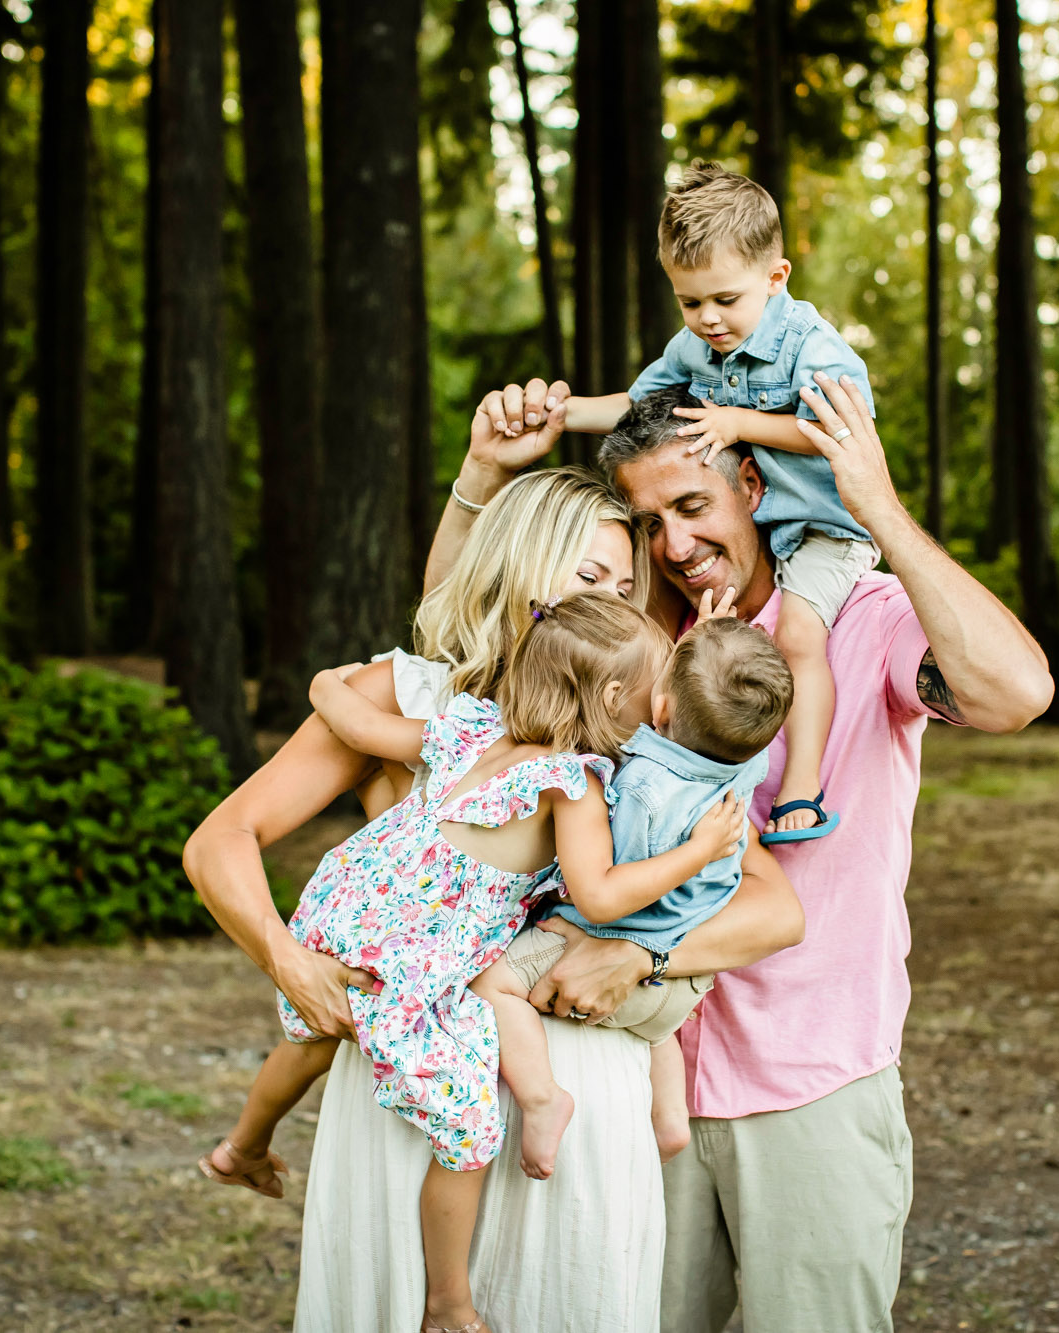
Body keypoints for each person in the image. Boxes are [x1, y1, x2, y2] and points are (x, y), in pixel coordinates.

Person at [182, 408, 807, 1333]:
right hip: (412, 1075)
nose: (609, 599)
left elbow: (773, 909)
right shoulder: (417, 699)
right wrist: (288, 959)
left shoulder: (632, 738)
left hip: (575, 1084)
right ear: (518, 565)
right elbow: (219, 841)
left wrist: (640, 958)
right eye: (588, 573)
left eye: (624, 584)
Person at [475, 371, 1054, 1331]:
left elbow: (1015, 693)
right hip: (627, 1077)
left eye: (694, 505)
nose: (674, 543)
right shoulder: (626, 641)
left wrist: (879, 509)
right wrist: (480, 477)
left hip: (808, 1084)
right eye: (649, 519)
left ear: (754, 484)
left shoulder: (854, 620)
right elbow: (449, 667)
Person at [247, 593, 748, 1333]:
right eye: (659, 689)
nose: (667, 705)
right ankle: (448, 1302)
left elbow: (354, 720)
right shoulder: (570, 782)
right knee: (468, 1130)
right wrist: (696, 853)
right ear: (615, 699)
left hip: (360, 914)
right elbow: (601, 897)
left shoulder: (469, 728)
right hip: (420, 963)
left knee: (309, 1036)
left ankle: (243, 1140)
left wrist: (325, 682)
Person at [547, 161, 879, 844]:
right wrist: (562, 412)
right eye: (690, 302)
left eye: (725, 299)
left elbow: (844, 436)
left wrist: (738, 423)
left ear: (776, 277)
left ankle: (801, 789)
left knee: (798, 639)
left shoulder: (814, 348)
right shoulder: (696, 345)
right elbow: (639, 406)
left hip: (825, 529)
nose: (709, 319)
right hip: (769, 528)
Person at [504, 612, 794, 1161]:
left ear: (661, 708)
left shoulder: (640, 785)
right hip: (682, 985)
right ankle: (670, 1124)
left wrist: (693, 852)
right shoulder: (745, 763)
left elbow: (613, 889)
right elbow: (720, 715)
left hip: (607, 950)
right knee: (655, 1039)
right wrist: (708, 670)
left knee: (490, 983)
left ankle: (541, 1099)